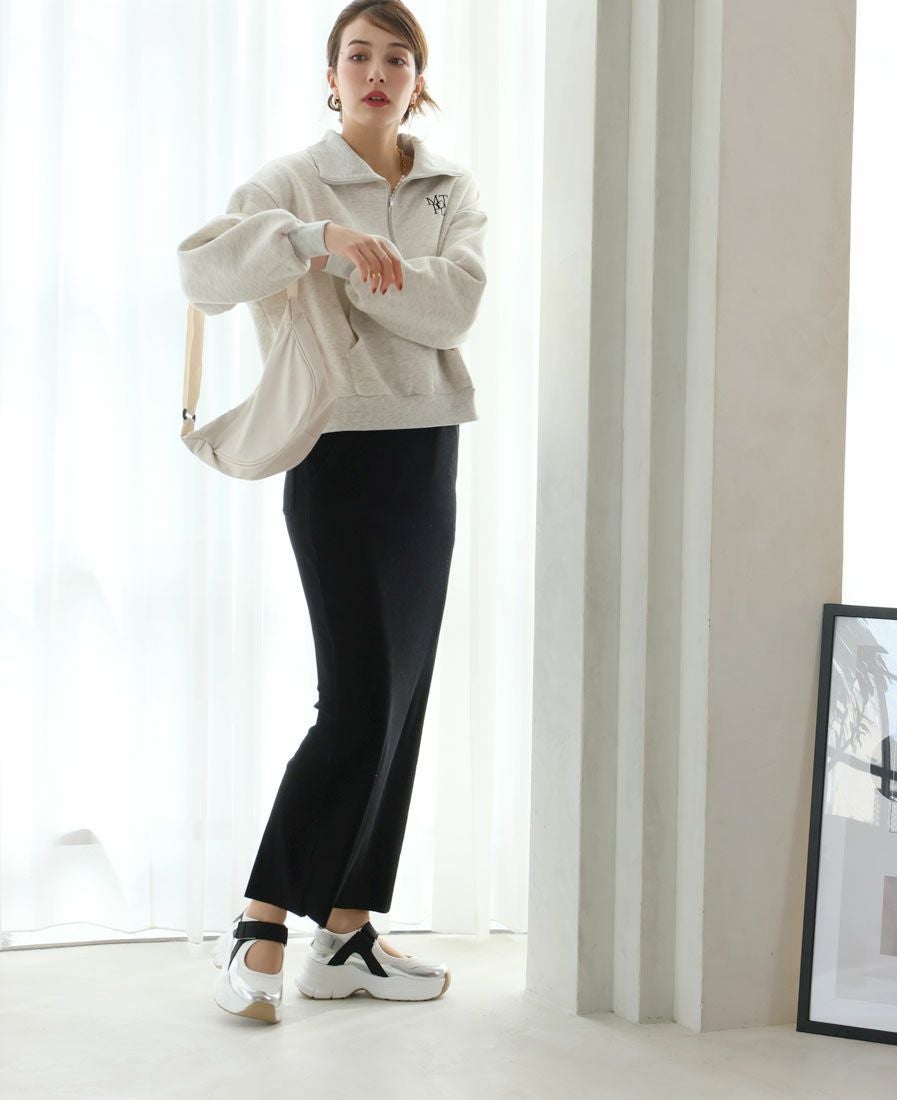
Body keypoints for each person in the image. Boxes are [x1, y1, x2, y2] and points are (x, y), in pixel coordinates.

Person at [177, 0, 488, 1023]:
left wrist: (348, 270)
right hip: (335, 448)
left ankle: (346, 935)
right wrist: (316, 237)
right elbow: (201, 272)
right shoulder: (289, 182)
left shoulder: (448, 188)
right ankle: (259, 922)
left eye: (397, 58)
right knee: (354, 700)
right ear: (331, 75)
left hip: (428, 443)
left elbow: (453, 306)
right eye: (358, 54)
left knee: (401, 698)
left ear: (417, 81)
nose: (377, 71)